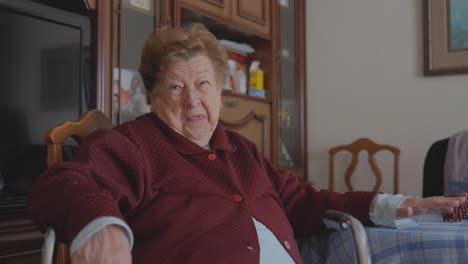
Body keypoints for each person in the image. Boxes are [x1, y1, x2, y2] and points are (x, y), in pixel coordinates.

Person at [29, 24, 465, 264]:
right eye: (174, 88)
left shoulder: (241, 149)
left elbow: (301, 200)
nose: (193, 100)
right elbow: (64, 182)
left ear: (221, 90)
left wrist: (394, 205)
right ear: (152, 96)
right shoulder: (133, 145)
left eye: (203, 84)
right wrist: (101, 226)